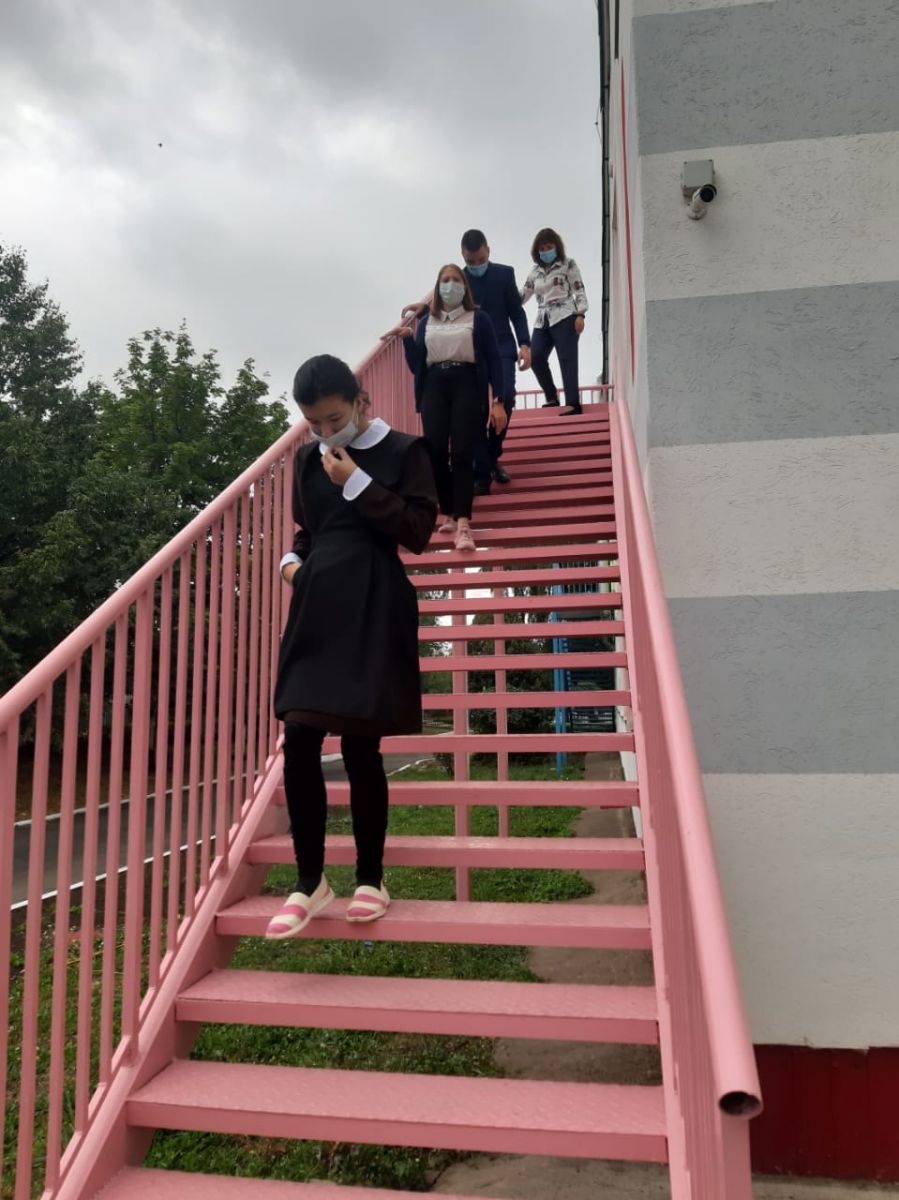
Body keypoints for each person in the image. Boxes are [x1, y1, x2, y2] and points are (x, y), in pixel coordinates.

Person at [267, 354, 438, 939]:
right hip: (318, 602)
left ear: (361, 402)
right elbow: (308, 532)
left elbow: (417, 532)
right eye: (313, 423)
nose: (323, 432)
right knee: (299, 735)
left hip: (374, 599)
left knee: (362, 745)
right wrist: (291, 564)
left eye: (334, 419)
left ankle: (371, 879)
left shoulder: (405, 451)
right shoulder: (306, 460)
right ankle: (308, 881)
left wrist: (357, 482)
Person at [390, 230, 530, 492]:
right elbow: (446, 306)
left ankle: (492, 454)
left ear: (488, 250)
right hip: (471, 351)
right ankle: (481, 468)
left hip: (500, 347)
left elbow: (516, 312)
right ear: (463, 256)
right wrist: (423, 309)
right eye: (470, 261)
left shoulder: (504, 274)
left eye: (480, 260)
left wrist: (524, 344)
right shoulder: (460, 280)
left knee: (506, 397)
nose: (476, 265)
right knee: (476, 412)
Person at [392, 263, 507, 552]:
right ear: (437, 286)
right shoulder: (426, 322)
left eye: (456, 280)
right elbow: (417, 365)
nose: (450, 285)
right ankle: (449, 512)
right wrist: (407, 340)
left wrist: (499, 400)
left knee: (463, 452)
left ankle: (464, 523)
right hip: (434, 386)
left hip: (467, 383)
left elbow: (494, 359)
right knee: (436, 452)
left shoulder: (478, 318)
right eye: (445, 280)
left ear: (464, 287)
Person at [520, 227, 589, 415]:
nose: (545, 251)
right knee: (536, 356)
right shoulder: (535, 272)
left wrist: (581, 314)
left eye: (549, 247)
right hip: (543, 319)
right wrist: (505, 301)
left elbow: (579, 289)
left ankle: (572, 402)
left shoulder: (568, 264)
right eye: (542, 249)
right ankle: (551, 396)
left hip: (565, 315)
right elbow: (523, 294)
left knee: (567, 358)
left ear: (557, 247)